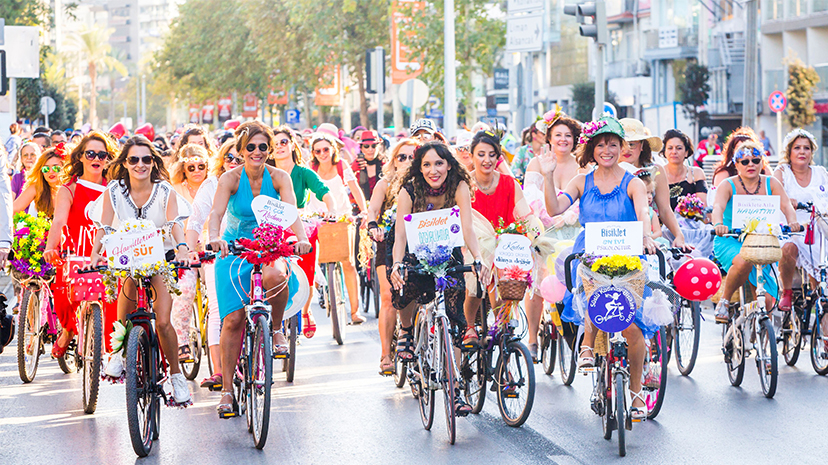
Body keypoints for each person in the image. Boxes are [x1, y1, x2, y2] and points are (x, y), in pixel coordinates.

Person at [541, 116, 657, 421]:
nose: (607, 150)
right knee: (594, 289)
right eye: (601, 144)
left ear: (622, 148)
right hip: (590, 254)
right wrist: (549, 175)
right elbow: (555, 209)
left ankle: (635, 394)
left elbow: (643, 211)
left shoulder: (633, 182)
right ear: (592, 148)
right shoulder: (581, 181)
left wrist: (645, 235)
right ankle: (587, 347)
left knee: (633, 329)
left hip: (628, 254)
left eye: (613, 144)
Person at [207, 121, 311, 417]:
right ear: (240, 150)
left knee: (277, 275)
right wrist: (214, 238)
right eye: (250, 147)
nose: (257, 152)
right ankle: (227, 391)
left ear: (270, 150)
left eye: (263, 147)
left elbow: (292, 213)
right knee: (233, 320)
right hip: (234, 249)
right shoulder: (229, 179)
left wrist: (301, 239)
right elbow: (216, 213)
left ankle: (276, 329)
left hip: (269, 244)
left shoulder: (279, 177)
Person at [87, 135, 194, 404]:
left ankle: (176, 376)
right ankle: (118, 354)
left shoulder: (164, 190)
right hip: (126, 257)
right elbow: (106, 227)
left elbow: (172, 224)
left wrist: (181, 247)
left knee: (164, 320)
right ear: (125, 162)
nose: (140, 164)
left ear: (153, 162)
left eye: (146, 159)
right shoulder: (113, 191)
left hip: (160, 256)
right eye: (134, 159)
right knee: (129, 282)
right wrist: (95, 253)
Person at [388, 141, 491, 416]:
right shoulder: (409, 191)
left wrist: (477, 258)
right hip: (414, 251)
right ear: (419, 169)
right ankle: (407, 331)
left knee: (456, 322)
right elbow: (399, 236)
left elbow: (467, 229)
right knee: (405, 284)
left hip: (450, 254)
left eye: (439, 163)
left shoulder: (459, 186)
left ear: (448, 164)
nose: (433, 170)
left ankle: (455, 390)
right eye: (427, 165)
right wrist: (397, 263)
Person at [44, 131, 116, 359]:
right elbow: (59, 221)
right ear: (81, 157)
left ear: (107, 159)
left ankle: (111, 356)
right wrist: (50, 247)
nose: (96, 158)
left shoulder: (115, 188)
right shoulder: (69, 190)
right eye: (91, 153)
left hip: (107, 258)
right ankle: (68, 331)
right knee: (66, 305)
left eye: (102, 154)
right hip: (76, 257)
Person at [712, 140, 801, 323]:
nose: (750, 164)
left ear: (762, 163)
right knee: (745, 261)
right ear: (737, 165)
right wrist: (718, 224)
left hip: (761, 242)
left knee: (767, 300)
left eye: (755, 160)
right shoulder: (728, 184)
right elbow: (718, 206)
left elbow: (786, 205)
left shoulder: (771, 183)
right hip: (731, 240)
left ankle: (760, 338)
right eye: (744, 161)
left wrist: (793, 222)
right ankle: (725, 301)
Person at [521, 110, 584, 358]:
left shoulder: (583, 164)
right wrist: (551, 217)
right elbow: (531, 198)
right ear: (549, 137)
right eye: (558, 134)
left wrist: (571, 214)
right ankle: (533, 337)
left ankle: (576, 333)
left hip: (574, 228)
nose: (563, 140)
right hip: (545, 229)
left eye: (568, 135)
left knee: (576, 280)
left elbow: (585, 195)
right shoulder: (537, 162)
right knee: (537, 283)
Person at [463, 131, 534, 347]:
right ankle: (470, 326)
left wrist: (534, 234)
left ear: (498, 157)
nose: (487, 160)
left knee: (504, 287)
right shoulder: (463, 184)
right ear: (472, 155)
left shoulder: (509, 183)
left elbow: (525, 214)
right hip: (474, 243)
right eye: (481, 154)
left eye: (492, 155)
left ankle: (503, 337)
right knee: (475, 284)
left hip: (504, 243)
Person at [185, 138, 244, 390]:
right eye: (229, 158)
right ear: (221, 160)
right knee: (220, 309)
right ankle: (220, 371)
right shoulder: (211, 184)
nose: (233, 163)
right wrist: (189, 250)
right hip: (216, 254)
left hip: (251, 252)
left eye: (238, 158)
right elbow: (195, 221)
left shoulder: (259, 180)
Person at [270, 125, 336, 339]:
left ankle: (305, 310)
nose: (279, 147)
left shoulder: (303, 173)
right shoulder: (265, 173)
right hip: (271, 226)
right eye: (274, 143)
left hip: (299, 224)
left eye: (283, 142)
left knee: (307, 260)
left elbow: (324, 192)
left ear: (292, 145)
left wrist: (331, 209)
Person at [365, 138, 416, 374]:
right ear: (393, 160)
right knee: (388, 297)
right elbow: (373, 209)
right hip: (389, 243)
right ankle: (386, 354)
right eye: (401, 157)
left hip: (420, 246)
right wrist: (374, 225)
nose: (406, 161)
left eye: (412, 157)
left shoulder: (428, 183)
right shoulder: (385, 183)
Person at [308, 132, 367, 325]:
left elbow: (355, 188)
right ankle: (319, 295)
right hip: (317, 218)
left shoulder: (341, 165)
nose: (322, 153)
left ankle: (355, 311)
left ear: (333, 148)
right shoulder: (311, 168)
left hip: (342, 217)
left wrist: (364, 212)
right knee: (314, 261)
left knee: (348, 263)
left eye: (326, 149)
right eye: (318, 151)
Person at [773, 129, 827, 312]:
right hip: (791, 228)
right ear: (789, 152)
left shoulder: (821, 173)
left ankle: (822, 324)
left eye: (806, 148)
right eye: (797, 148)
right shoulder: (782, 172)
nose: (802, 152)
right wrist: (788, 202)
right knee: (789, 248)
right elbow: (774, 196)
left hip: (818, 228)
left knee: (821, 264)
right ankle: (786, 292)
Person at [169, 143, 210, 362]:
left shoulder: (216, 186)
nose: (196, 171)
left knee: (215, 292)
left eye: (201, 166)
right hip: (185, 247)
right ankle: (182, 342)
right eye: (191, 167)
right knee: (184, 292)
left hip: (211, 247)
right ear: (183, 169)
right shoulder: (175, 190)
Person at [662, 129, 708, 209]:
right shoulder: (658, 173)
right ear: (665, 152)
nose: (674, 152)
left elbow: (703, 207)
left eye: (679, 148)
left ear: (686, 152)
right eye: (670, 148)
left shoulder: (696, 173)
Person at [12, 146, 64, 217]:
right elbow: (13, 210)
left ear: (63, 168)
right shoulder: (36, 187)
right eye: (46, 169)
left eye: (56, 168)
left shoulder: (71, 187)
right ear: (41, 171)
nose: (51, 172)